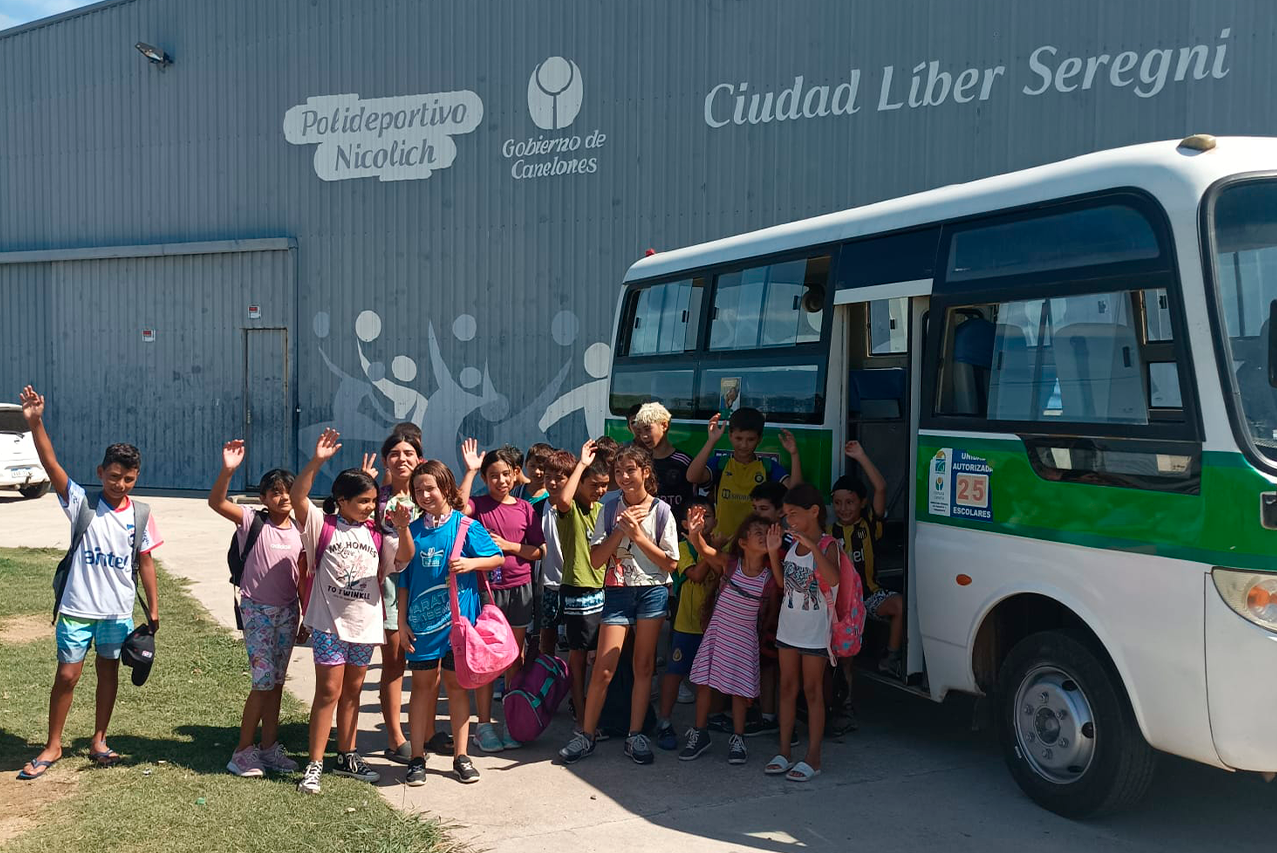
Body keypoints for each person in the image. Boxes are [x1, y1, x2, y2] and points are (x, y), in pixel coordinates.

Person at [15, 386, 161, 781]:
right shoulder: (82, 503)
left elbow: (145, 561)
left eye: (129, 478)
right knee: (67, 674)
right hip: (77, 610)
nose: (121, 484)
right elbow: (51, 464)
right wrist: (36, 422)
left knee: (108, 671)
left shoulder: (142, 514)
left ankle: (99, 739)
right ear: (101, 473)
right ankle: (53, 744)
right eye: (114, 476)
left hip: (117, 612)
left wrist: (153, 607)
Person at [292, 428, 414, 795]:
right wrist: (317, 461)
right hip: (329, 625)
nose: (369, 507)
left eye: (372, 500)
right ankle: (314, 765)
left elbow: (404, 559)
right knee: (328, 691)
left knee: (353, 692)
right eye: (362, 501)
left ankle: (347, 754)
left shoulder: (379, 534)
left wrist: (403, 528)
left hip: (364, 626)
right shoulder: (322, 526)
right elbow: (299, 496)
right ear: (341, 500)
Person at [558, 444, 679, 766]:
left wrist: (639, 537)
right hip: (617, 591)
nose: (624, 477)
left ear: (645, 472)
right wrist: (620, 530)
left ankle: (635, 734)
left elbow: (670, 564)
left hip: (652, 592)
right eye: (619, 471)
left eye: (630, 470)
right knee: (604, 667)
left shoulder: (663, 511)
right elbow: (597, 559)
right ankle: (586, 734)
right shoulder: (609, 509)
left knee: (643, 667)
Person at [399, 459, 504, 785]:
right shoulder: (412, 530)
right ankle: (417, 758)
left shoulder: (465, 526)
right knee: (421, 690)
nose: (424, 494)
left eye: (429, 487)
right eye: (418, 490)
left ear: (446, 487)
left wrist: (471, 563)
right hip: (421, 627)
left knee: (457, 689)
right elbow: (403, 580)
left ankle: (462, 756)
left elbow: (497, 557)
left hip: (459, 627)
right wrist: (401, 623)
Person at [208, 440, 303, 778]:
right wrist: (228, 470)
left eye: (288, 491)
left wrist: (303, 614)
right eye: (274, 492)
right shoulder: (252, 521)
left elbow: (304, 575)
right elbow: (216, 501)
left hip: (289, 613)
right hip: (257, 611)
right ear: (263, 498)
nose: (283, 497)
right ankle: (242, 752)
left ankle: (269, 747)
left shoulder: (300, 530)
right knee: (262, 681)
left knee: (276, 682)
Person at [679, 512, 783, 765]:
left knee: (739, 692)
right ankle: (700, 732)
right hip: (718, 635)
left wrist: (773, 553)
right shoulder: (730, 564)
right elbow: (704, 549)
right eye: (758, 532)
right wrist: (695, 533)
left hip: (745, 643)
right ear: (743, 542)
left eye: (767, 533)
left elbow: (782, 587)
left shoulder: (769, 579)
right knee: (704, 685)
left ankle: (738, 738)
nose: (764, 536)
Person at [466, 444, 546, 752]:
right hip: (487, 591)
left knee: (515, 658)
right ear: (485, 477)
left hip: (520, 589)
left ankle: (512, 721)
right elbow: (458, 508)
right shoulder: (477, 504)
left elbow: (539, 551)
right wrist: (470, 471)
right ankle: (483, 726)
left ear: (516, 474)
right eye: (493, 475)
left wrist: (510, 546)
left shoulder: (525, 508)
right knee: (487, 660)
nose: (500, 481)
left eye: (506, 474)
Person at [766, 482, 842, 783]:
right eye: (786, 516)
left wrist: (813, 547)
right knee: (787, 689)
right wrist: (774, 554)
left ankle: (813, 756)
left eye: (794, 515)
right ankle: (784, 751)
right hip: (788, 629)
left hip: (815, 632)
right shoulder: (791, 544)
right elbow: (784, 585)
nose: (789, 522)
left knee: (812, 692)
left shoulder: (828, 545)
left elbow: (833, 579)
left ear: (813, 512)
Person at [375, 425, 427, 765]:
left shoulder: (427, 494)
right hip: (390, 586)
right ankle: (395, 735)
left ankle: (426, 732)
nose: (402, 459)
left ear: (419, 459)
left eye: (409, 453)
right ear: (385, 461)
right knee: (394, 661)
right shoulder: (375, 497)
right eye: (395, 454)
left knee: (425, 662)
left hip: (425, 585)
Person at [553, 440, 612, 733]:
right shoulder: (571, 508)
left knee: (598, 655)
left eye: (604, 485)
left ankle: (594, 705)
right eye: (594, 484)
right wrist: (581, 464)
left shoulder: (603, 509)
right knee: (578, 655)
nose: (600, 490)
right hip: (578, 589)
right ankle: (579, 709)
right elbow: (563, 500)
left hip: (604, 589)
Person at [832, 440, 900, 678]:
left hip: (869, 595)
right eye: (838, 503)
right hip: (841, 601)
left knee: (900, 606)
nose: (843, 508)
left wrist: (861, 456)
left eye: (849, 502)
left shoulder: (870, 525)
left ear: (862, 503)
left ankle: (890, 658)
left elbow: (880, 488)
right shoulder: (829, 534)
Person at [654, 497, 717, 750]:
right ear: (684, 523)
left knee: (706, 679)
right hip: (687, 624)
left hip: (714, 625)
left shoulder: (720, 546)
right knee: (675, 673)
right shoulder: (682, 547)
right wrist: (712, 551)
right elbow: (698, 575)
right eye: (695, 518)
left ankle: (701, 728)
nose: (702, 522)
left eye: (707, 516)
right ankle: (664, 722)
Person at [686, 407, 803, 539]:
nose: (744, 445)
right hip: (721, 542)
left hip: (756, 544)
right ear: (730, 436)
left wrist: (794, 454)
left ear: (759, 439)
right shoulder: (721, 464)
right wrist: (711, 441)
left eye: (750, 439)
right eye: (739, 438)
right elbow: (692, 476)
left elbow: (795, 493)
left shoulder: (768, 467)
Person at [534, 447, 576, 656]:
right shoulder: (535, 509)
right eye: (548, 477)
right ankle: (547, 678)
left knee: (578, 640)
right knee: (546, 637)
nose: (551, 483)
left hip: (575, 582)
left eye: (559, 478)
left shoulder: (578, 508)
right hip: (548, 583)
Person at [630, 402, 695, 517]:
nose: (644, 436)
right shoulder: (642, 462)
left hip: (679, 530)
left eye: (647, 429)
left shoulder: (684, 461)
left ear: (664, 425)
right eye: (640, 432)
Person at [516, 442, 554, 506]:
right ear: (526, 464)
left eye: (541, 467)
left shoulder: (552, 494)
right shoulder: (517, 492)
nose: (536, 471)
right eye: (532, 466)